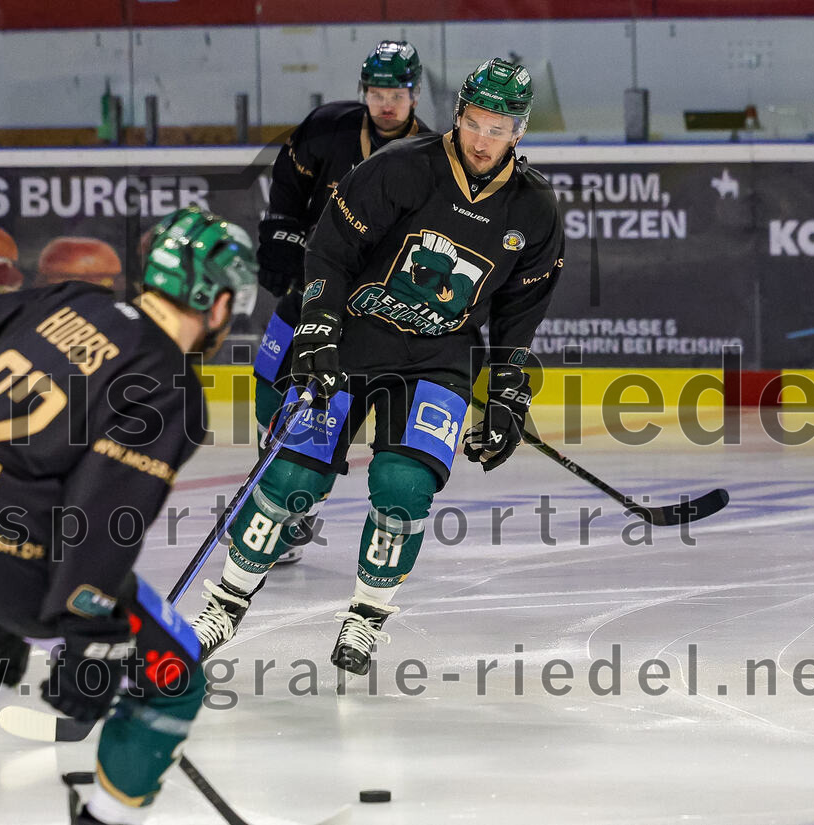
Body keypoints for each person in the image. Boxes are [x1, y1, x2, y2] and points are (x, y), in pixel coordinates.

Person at [0, 208, 258, 825]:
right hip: (30, 570)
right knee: (177, 676)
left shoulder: (71, 299)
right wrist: (90, 637)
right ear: (216, 302)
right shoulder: (167, 382)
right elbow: (100, 517)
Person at [190, 58, 565, 676]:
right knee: (290, 482)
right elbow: (329, 250)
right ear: (460, 115)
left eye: (498, 129)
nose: (481, 140)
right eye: (474, 122)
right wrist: (314, 333)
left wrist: (507, 394)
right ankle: (225, 604)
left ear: (518, 133)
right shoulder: (401, 168)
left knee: (403, 489)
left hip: (438, 362)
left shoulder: (534, 210)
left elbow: (519, 314)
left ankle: (366, 617)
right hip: (353, 346)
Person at [253, 39, 431, 565]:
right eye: (376, 92)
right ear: (364, 93)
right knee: (269, 389)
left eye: (396, 92)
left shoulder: (433, 156)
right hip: (310, 286)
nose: (386, 104)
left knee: (322, 403)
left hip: (370, 306)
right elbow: (286, 191)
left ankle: (294, 506)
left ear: (414, 94)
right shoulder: (327, 129)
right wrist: (280, 240)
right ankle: (280, 497)